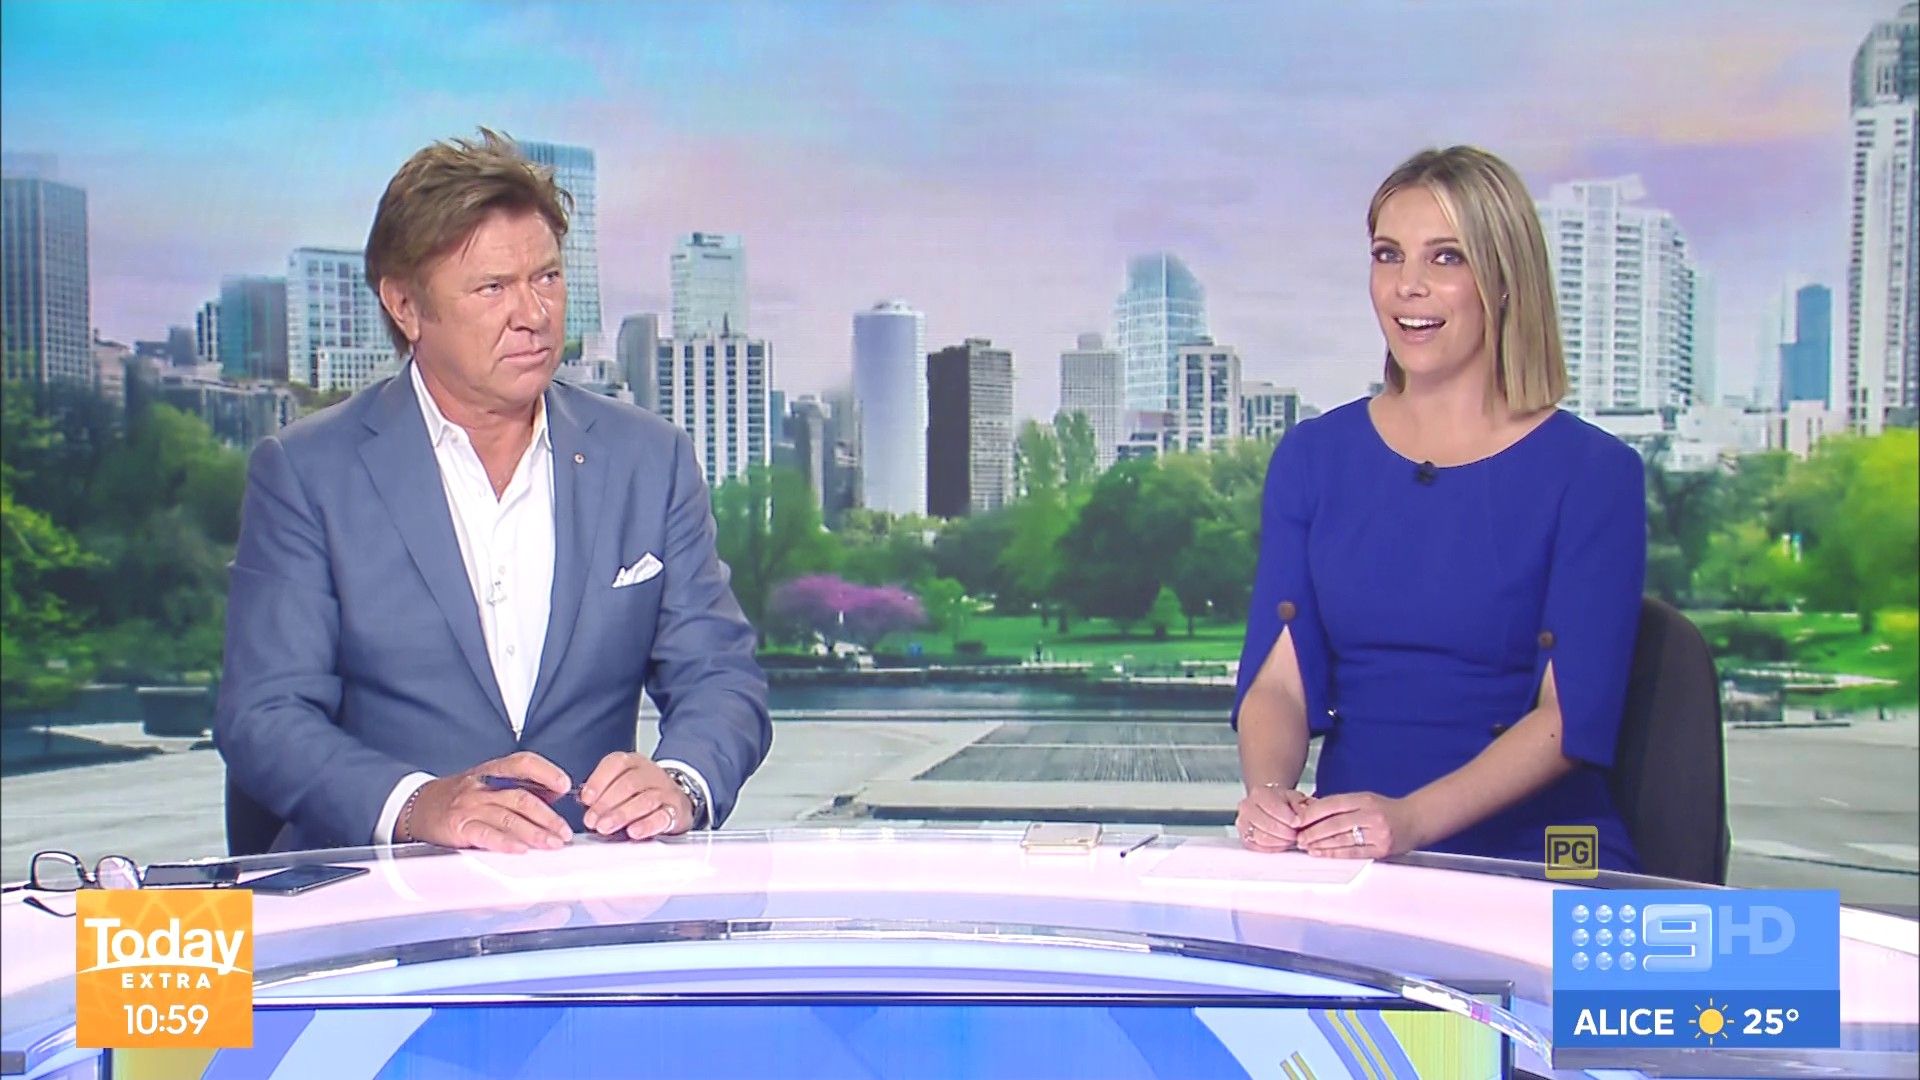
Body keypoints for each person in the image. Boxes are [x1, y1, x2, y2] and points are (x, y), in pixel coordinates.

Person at [216, 130, 772, 854]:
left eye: (547, 278)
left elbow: (721, 677)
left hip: (591, 890)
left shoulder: (648, 459)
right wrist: (417, 805)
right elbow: (265, 715)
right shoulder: (308, 473)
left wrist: (682, 782)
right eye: (492, 288)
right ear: (405, 305)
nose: (533, 313)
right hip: (384, 892)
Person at [1231, 146, 1645, 871]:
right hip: (1355, 853)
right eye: (1388, 255)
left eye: (1446, 258)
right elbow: (1279, 681)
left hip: (1554, 852)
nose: (1408, 287)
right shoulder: (1314, 458)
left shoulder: (1594, 472)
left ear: (1505, 280)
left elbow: (1570, 717)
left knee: (1785, 961)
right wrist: (1270, 797)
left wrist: (1412, 820)